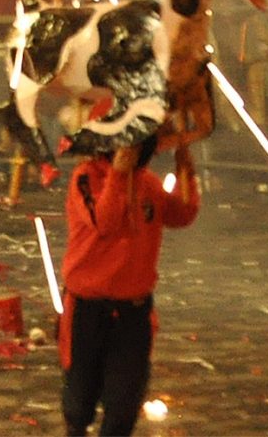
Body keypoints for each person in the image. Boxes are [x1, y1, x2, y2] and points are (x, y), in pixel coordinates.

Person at [59, 139, 200, 437]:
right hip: (87, 308)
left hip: (133, 311)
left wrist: (185, 167)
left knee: (124, 404)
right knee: (79, 402)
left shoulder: (147, 182)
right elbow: (105, 222)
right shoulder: (86, 176)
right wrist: (119, 174)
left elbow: (182, 214)